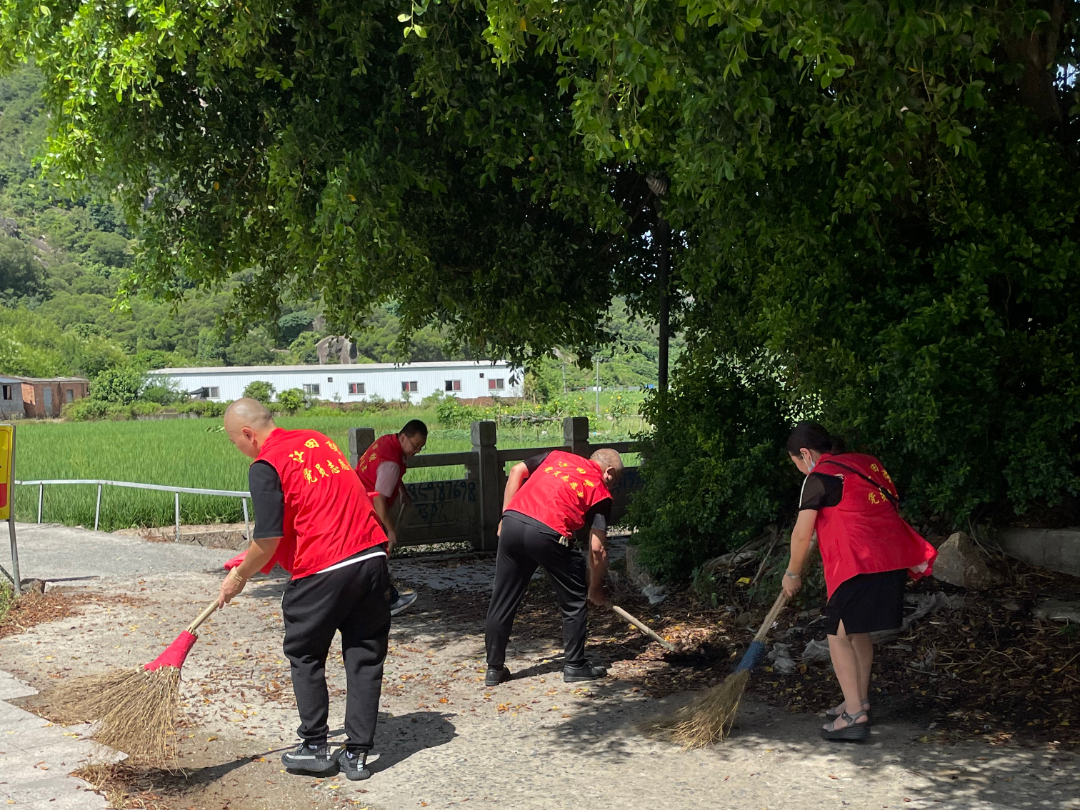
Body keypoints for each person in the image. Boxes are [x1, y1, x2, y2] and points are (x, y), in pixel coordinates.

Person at [217, 399, 391, 781]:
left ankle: (314, 745)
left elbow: (268, 538)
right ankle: (358, 755)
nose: (240, 449)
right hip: (371, 557)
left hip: (325, 565)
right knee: (364, 654)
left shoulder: (265, 464)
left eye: (236, 442)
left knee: (305, 650)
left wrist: (238, 578)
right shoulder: (316, 440)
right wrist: (247, 561)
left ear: (247, 434)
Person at [781, 421, 937, 741]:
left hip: (858, 563)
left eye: (796, 461)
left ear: (805, 454)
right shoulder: (866, 464)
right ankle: (859, 700)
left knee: (836, 634)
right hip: (891, 558)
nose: (798, 468)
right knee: (855, 629)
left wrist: (792, 574)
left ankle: (854, 717)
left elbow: (801, 535)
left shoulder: (818, 477)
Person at [484, 447, 623, 687]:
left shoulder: (557, 456)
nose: (610, 486)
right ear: (609, 472)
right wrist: (594, 588)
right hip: (549, 533)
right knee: (573, 600)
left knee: (502, 598)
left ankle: (494, 669)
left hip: (514, 523)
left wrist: (505, 517)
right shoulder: (600, 491)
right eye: (613, 481)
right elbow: (597, 549)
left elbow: (517, 470)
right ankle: (575, 665)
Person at [354, 421, 428, 615]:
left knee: (366, 561)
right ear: (403, 437)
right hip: (366, 512)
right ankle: (390, 600)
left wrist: (401, 490)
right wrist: (390, 530)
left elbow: (386, 477)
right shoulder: (391, 463)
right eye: (415, 445)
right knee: (377, 559)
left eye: (421, 447)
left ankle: (367, 602)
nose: (416, 450)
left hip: (357, 503)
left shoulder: (388, 441)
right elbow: (379, 501)